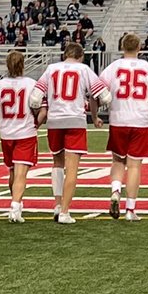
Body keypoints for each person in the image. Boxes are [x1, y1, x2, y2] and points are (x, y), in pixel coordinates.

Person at [31, 42, 107, 224]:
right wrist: (95, 113)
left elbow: (34, 99)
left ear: (65, 54)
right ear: (80, 56)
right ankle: (65, 211)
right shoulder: (84, 69)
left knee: (57, 162)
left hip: (55, 120)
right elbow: (104, 96)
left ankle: (57, 205)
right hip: (75, 120)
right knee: (72, 168)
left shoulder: (51, 68)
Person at [98, 33, 148, 221]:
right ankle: (130, 209)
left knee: (118, 161)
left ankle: (115, 190)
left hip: (119, 118)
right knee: (134, 166)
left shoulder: (113, 67)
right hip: (141, 119)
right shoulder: (147, 68)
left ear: (122, 47)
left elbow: (98, 90)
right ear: (140, 48)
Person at [0, 51, 39, 223]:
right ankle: (15, 207)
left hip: (7, 133)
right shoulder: (31, 84)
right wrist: (38, 121)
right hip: (25, 132)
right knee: (21, 173)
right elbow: (37, 108)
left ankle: (16, 202)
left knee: (13, 171)